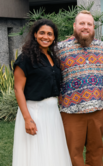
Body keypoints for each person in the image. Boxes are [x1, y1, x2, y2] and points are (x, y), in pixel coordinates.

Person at [12, 19, 72, 166]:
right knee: (36, 153)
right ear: (35, 34)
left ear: (54, 38)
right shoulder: (25, 58)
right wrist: (27, 119)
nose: (46, 37)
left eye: (50, 34)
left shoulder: (52, 57)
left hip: (52, 112)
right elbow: (18, 89)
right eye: (42, 33)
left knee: (52, 151)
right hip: (34, 111)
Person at [57, 10, 103, 166]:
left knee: (96, 151)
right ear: (75, 26)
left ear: (93, 27)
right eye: (82, 23)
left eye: (89, 24)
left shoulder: (102, 47)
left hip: (98, 109)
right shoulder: (60, 48)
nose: (85, 27)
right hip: (71, 110)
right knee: (74, 153)